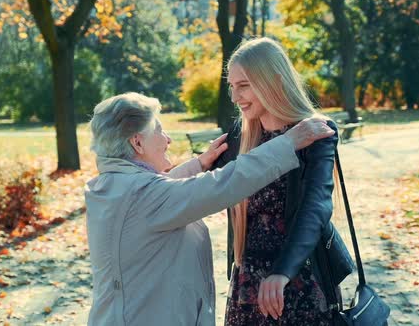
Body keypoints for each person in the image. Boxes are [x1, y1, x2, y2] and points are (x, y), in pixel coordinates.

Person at [84, 92, 334, 326]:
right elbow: (224, 185)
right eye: (159, 130)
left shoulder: (111, 187)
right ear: (137, 143)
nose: (168, 138)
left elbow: (159, 194)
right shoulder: (144, 196)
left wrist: (200, 164)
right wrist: (288, 143)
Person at [214, 37, 354, 325]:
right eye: (232, 86)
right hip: (248, 283)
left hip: (299, 277)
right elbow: (203, 189)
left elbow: (316, 206)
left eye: (244, 85)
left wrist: (282, 271)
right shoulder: (239, 136)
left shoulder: (316, 131)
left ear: (274, 82)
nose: (234, 97)